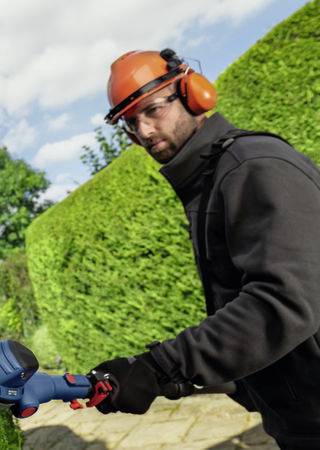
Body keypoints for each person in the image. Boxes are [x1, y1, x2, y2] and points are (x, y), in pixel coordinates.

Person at [90, 48, 320, 449]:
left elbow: (284, 301)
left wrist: (161, 366)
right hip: (301, 416)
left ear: (192, 93)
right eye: (130, 123)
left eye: (152, 110)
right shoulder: (212, 179)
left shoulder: (253, 167)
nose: (143, 132)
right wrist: (218, 381)